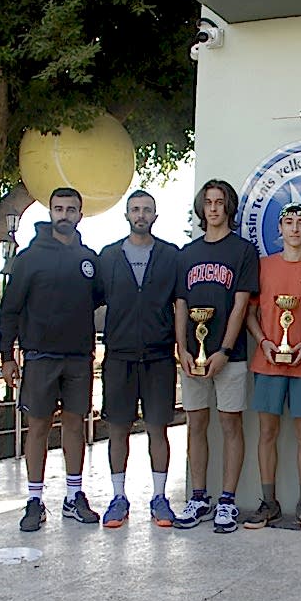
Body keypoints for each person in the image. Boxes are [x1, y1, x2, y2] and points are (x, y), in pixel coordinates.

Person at [0, 187, 103, 532]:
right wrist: (6, 356)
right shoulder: (29, 258)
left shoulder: (89, 259)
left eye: (71, 209)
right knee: (39, 427)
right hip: (40, 357)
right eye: (59, 208)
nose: (65, 215)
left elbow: (98, 299)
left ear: (80, 215)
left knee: (75, 425)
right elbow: (10, 309)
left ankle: (74, 497)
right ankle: (34, 500)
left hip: (78, 358)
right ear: (50, 213)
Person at [173, 179, 259, 533]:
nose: (213, 208)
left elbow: (241, 305)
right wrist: (181, 348)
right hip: (192, 357)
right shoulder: (186, 253)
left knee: (230, 424)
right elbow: (181, 304)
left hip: (230, 356)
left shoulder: (243, 251)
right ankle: (198, 496)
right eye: (208, 202)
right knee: (196, 424)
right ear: (201, 208)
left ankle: (227, 500)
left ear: (229, 207)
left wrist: (224, 349)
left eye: (219, 202)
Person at [243, 201, 301, 532]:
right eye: (289, 222)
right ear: (279, 228)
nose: (295, 228)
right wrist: (264, 342)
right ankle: (269, 502)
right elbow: (250, 313)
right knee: (267, 432)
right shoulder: (263, 267)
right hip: (268, 362)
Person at [96, 190, 180, 529]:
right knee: (118, 429)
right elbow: (89, 301)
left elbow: (181, 304)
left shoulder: (170, 256)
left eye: (146, 210)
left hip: (159, 356)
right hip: (119, 356)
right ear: (127, 215)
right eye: (135, 209)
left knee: (158, 429)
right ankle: (118, 498)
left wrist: (182, 347)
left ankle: (159, 498)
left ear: (155, 216)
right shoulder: (108, 256)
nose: (141, 215)